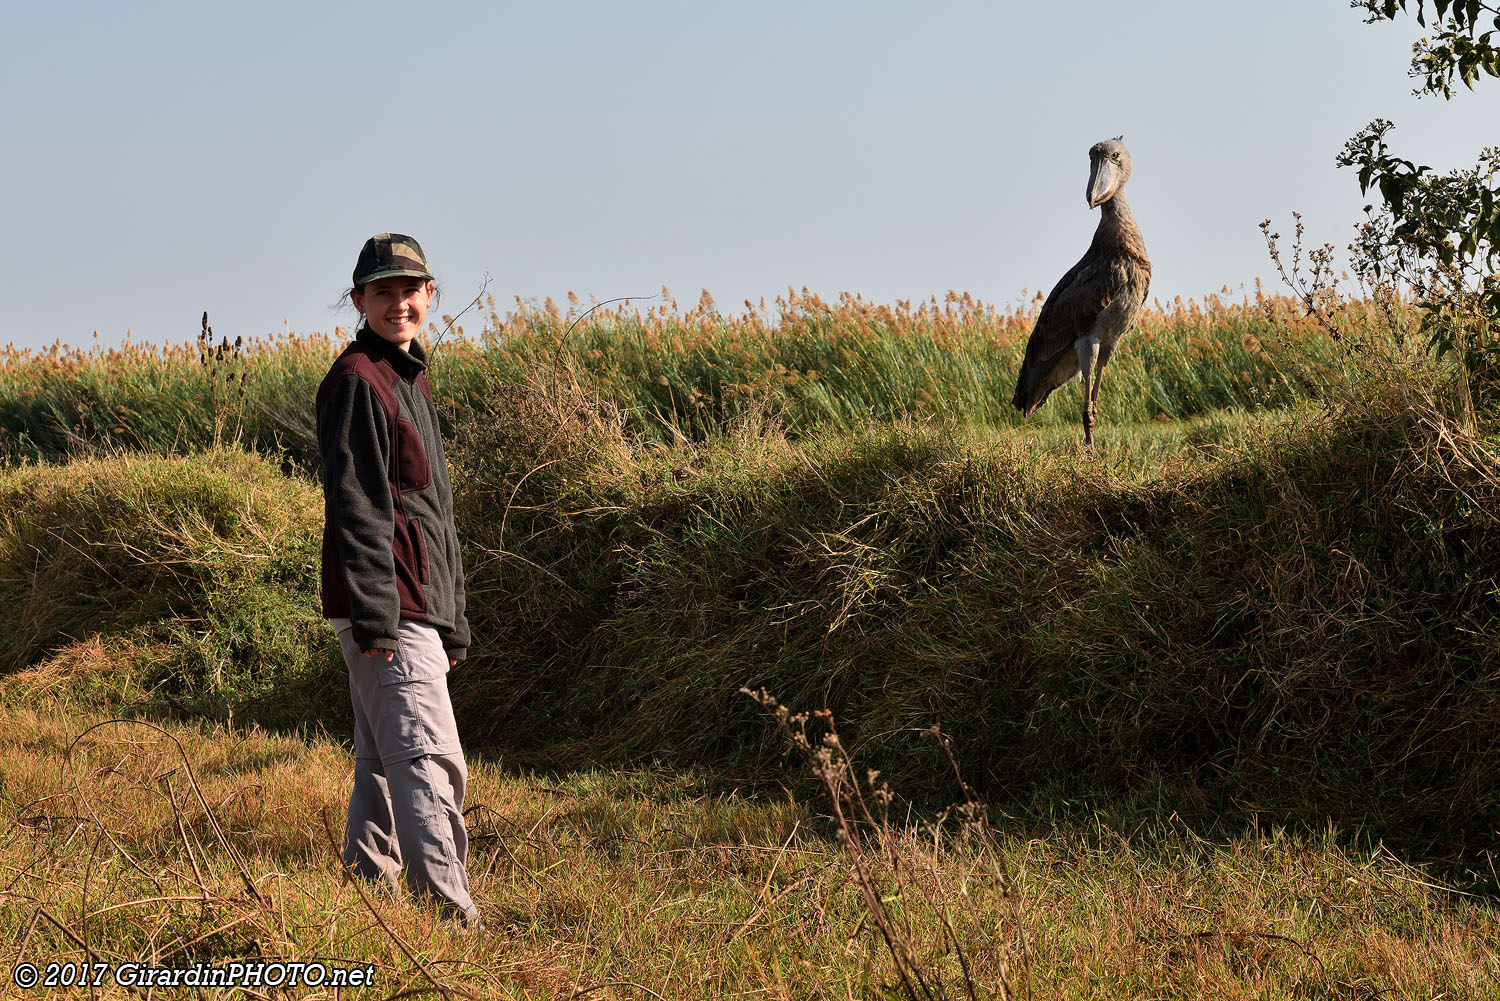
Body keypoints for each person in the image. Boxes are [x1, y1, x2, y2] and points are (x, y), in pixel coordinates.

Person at [315, 233, 478, 926]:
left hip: (414, 604)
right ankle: (449, 921)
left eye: (410, 290)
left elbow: (430, 512)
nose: (399, 303)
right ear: (358, 301)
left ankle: (367, 897)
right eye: (383, 291)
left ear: (429, 295)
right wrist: (380, 619)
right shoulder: (358, 380)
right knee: (430, 762)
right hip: (388, 608)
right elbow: (358, 508)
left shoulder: (407, 376)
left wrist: (452, 618)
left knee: (385, 760)